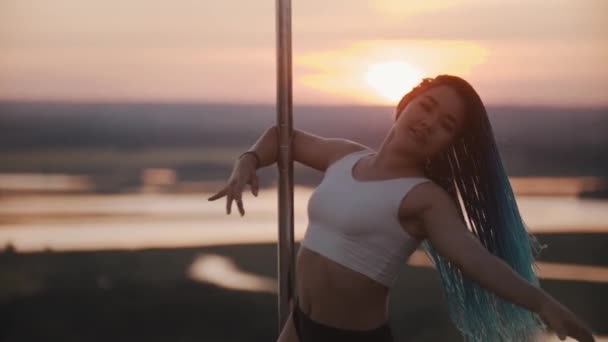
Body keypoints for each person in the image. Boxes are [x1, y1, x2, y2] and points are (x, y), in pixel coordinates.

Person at [207, 75, 596, 342]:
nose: (429, 122)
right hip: (300, 324)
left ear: (449, 145)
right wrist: (248, 161)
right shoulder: (345, 157)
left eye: (445, 125)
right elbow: (283, 137)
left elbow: (476, 259)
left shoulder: (424, 198)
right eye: (426, 106)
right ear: (405, 102)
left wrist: (542, 302)